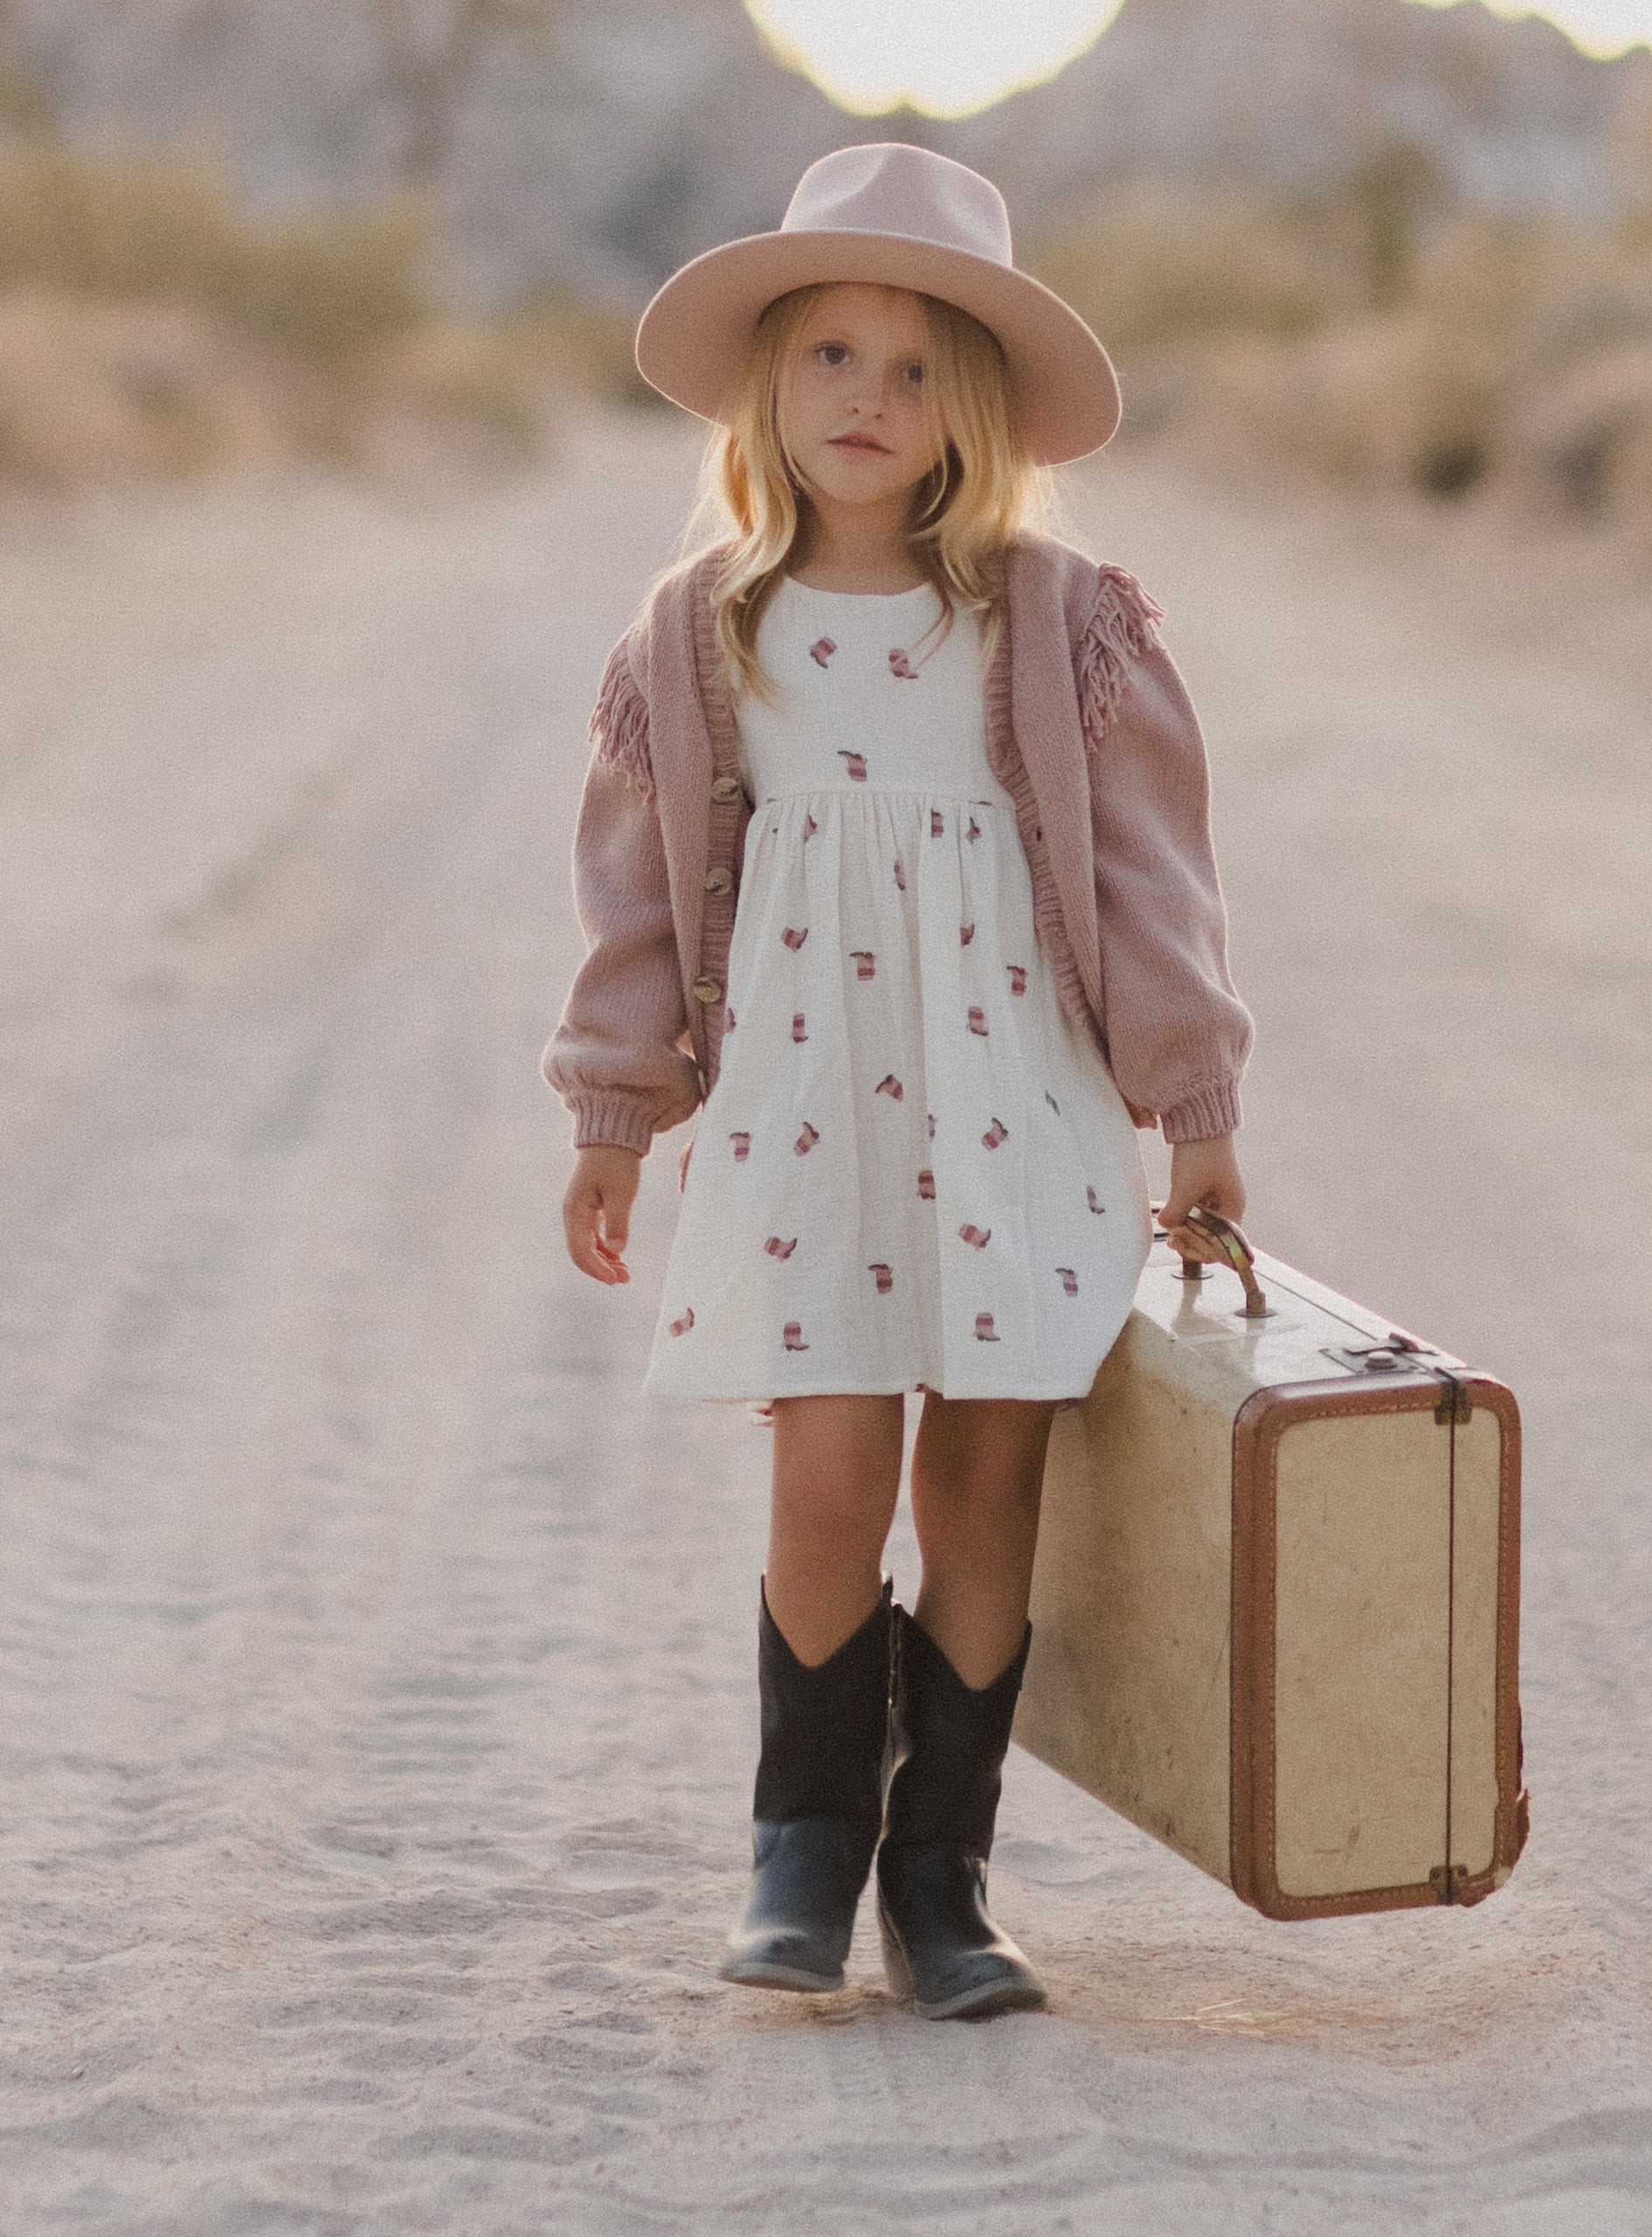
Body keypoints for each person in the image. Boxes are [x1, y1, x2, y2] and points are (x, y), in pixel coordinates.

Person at [542, 143, 1254, 2020]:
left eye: (923, 365)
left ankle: (941, 1877)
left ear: (982, 412)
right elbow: (632, 898)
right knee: (826, 1464)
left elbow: (1154, 887)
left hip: (1013, 1100)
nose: (873, 398)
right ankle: (800, 1844)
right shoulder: (703, 630)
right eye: (836, 355)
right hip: (808, 1111)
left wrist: (1198, 1107)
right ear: (772, 382)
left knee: (988, 1475)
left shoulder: (1057, 619)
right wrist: (617, 1116)